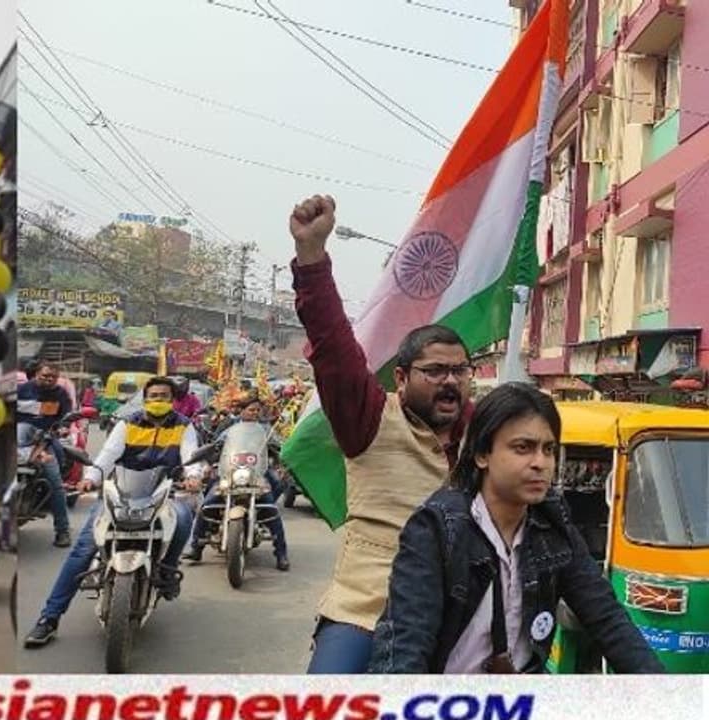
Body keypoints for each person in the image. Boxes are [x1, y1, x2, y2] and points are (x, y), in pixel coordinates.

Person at [289, 194, 475, 673]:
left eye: (460, 371)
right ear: (401, 378)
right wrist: (312, 258)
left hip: (456, 618)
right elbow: (333, 348)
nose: (450, 381)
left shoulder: (484, 435)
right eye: (434, 371)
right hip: (365, 610)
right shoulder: (368, 419)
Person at [370, 384, 663, 673]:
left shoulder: (553, 523)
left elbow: (608, 620)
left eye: (548, 450)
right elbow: (405, 647)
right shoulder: (437, 529)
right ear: (482, 455)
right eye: (523, 448)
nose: (541, 463)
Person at [23, 376, 202, 648]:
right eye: (153, 395)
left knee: (185, 517)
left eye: (164, 396)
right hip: (122, 493)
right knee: (83, 550)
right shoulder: (127, 423)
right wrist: (90, 479)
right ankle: (49, 618)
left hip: (163, 493)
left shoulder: (184, 426)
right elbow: (106, 456)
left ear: (172, 399)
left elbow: (191, 459)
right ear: (145, 398)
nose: (159, 400)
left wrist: (193, 476)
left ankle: (166, 569)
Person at [185, 395, 290, 570]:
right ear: (241, 411)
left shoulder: (266, 429)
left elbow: (279, 447)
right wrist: (208, 463)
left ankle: (281, 554)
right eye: (251, 410)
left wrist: (281, 460)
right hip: (230, 474)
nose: (255, 413)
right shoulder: (230, 428)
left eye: (257, 410)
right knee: (207, 505)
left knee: (272, 509)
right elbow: (215, 446)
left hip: (256, 475)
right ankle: (196, 547)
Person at [15, 360, 75, 547]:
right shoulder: (20, 391)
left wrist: (64, 428)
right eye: (45, 375)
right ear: (36, 375)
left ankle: (62, 531)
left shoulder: (61, 394)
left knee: (56, 485)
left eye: (53, 377)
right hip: (17, 442)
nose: (49, 379)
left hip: (43, 442)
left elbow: (65, 418)